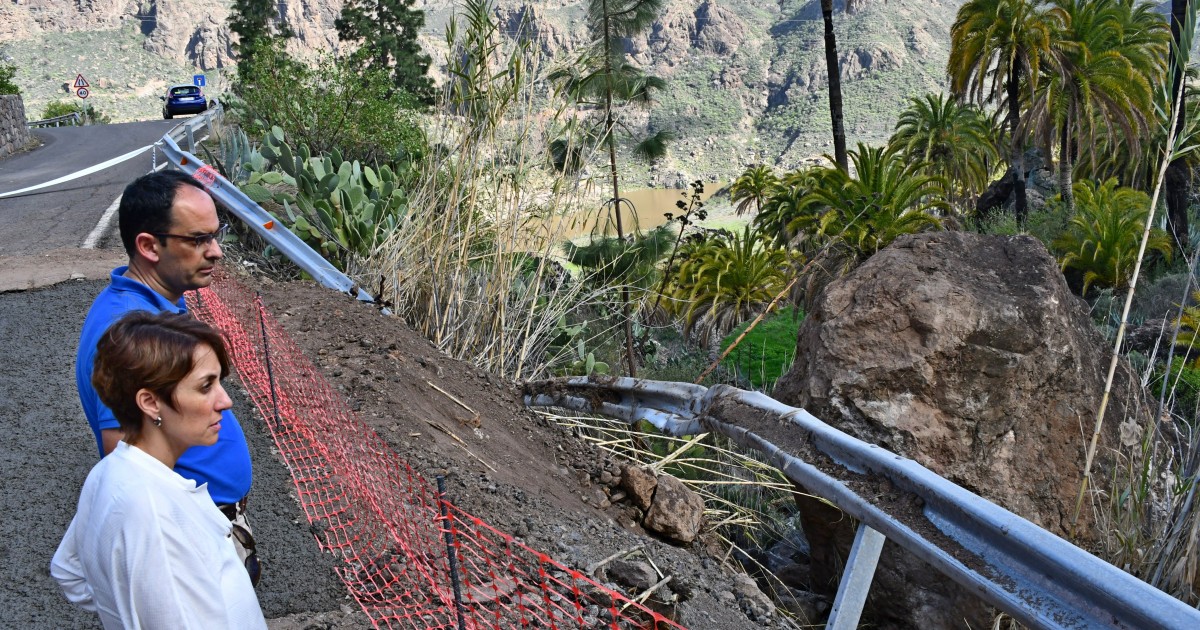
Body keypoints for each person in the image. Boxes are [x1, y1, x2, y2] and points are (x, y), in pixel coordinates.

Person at [75, 170, 257, 581]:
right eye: (198, 240)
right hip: (193, 539)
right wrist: (185, 548)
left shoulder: (153, 310)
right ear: (148, 246)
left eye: (216, 234)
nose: (216, 252)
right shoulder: (127, 333)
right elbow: (125, 455)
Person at [53, 312, 267, 629]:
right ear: (151, 403)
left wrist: (124, 610)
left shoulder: (109, 474)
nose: (225, 401)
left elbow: (68, 570)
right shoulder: (157, 514)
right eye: (206, 386)